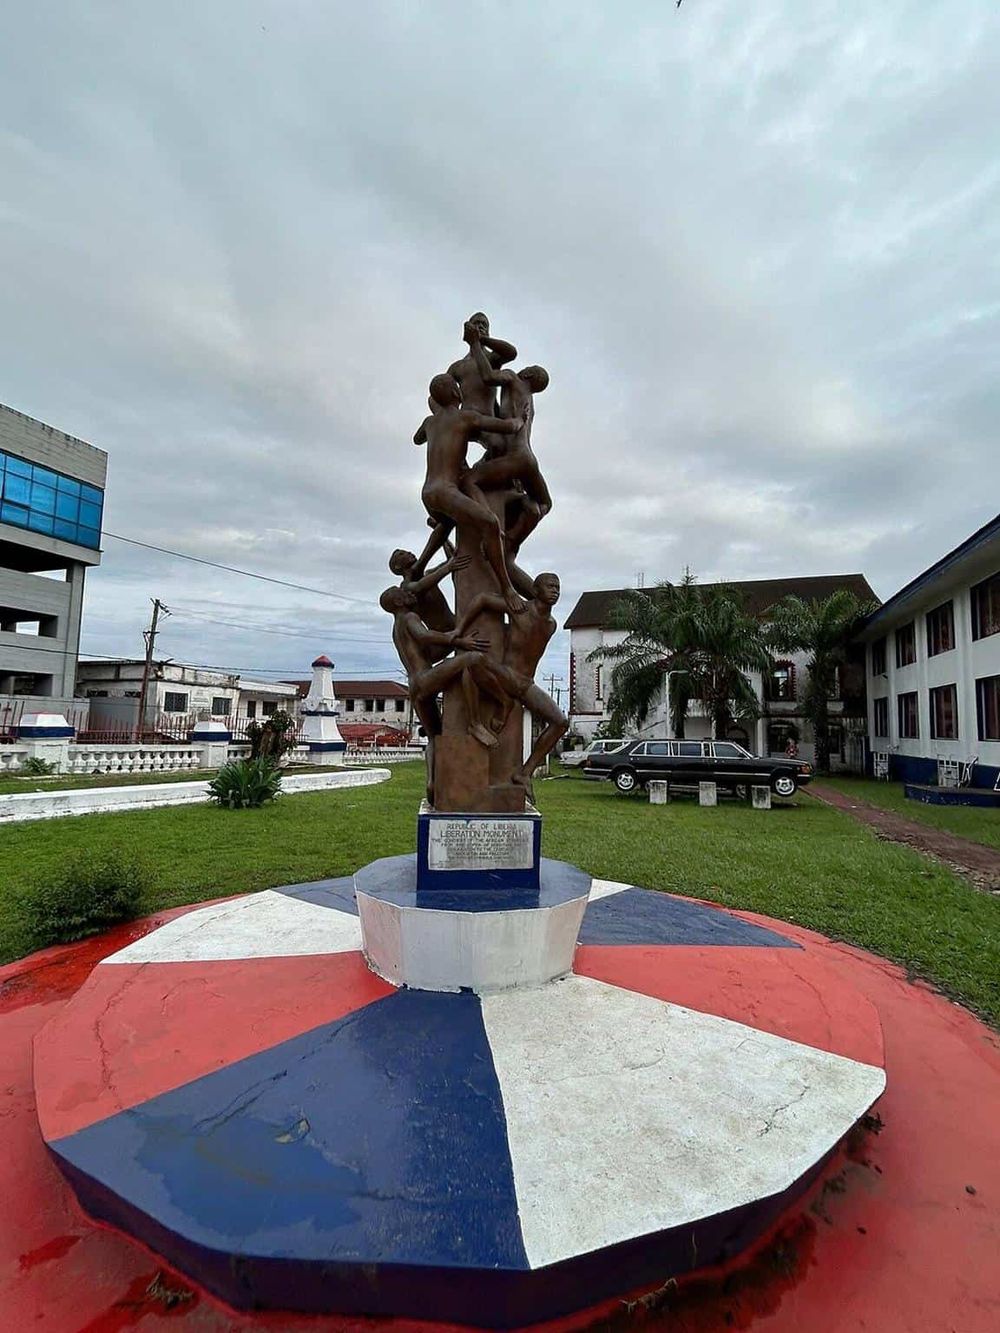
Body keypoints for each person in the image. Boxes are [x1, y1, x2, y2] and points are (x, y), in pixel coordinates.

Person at [411, 373, 524, 612]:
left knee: (447, 522)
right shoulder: (466, 417)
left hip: (428, 494)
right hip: (446, 491)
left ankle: (419, 565)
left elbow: (416, 439)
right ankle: (507, 588)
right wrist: (520, 419)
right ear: (456, 393)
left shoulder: (429, 423)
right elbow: (508, 427)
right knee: (490, 524)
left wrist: (437, 419)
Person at [452, 572, 568, 790]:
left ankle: (524, 774)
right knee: (470, 661)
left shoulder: (551, 625)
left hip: (526, 684)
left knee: (561, 722)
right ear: (536, 590)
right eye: (550, 586)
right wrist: (459, 630)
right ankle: (479, 720)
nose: (555, 591)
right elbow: (482, 599)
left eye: (557, 587)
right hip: (506, 674)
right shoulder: (520, 608)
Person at [379, 586, 509, 770]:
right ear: (399, 601)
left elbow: (428, 654)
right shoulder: (409, 617)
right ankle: (478, 721)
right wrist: (457, 640)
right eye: (404, 593)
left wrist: (453, 646)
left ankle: (432, 781)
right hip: (425, 678)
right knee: (473, 659)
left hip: (415, 687)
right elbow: (424, 636)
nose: (410, 593)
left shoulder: (397, 628)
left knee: (434, 737)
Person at [460, 327, 552, 561]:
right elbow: (501, 414)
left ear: (528, 373)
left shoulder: (512, 378)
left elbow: (488, 377)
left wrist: (476, 342)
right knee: (544, 503)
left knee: (469, 481)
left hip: (513, 458)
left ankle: (494, 532)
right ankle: (513, 539)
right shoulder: (527, 400)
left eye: (528, 368)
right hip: (528, 461)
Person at [388, 547, 468, 656]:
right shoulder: (406, 589)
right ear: (397, 566)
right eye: (402, 554)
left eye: (406, 551)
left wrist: (444, 542)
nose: (409, 552)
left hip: (457, 623)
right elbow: (419, 587)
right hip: (442, 637)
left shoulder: (429, 574)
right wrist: (447, 568)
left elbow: (452, 560)